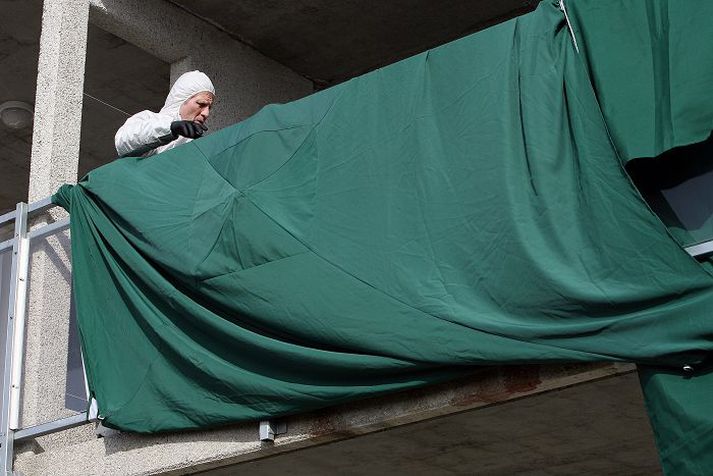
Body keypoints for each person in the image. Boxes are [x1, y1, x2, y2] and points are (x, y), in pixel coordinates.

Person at [115, 70, 216, 158]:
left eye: (209, 108)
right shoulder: (149, 119)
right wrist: (170, 129)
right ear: (181, 99)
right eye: (201, 104)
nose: (206, 113)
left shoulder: (200, 147)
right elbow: (123, 142)